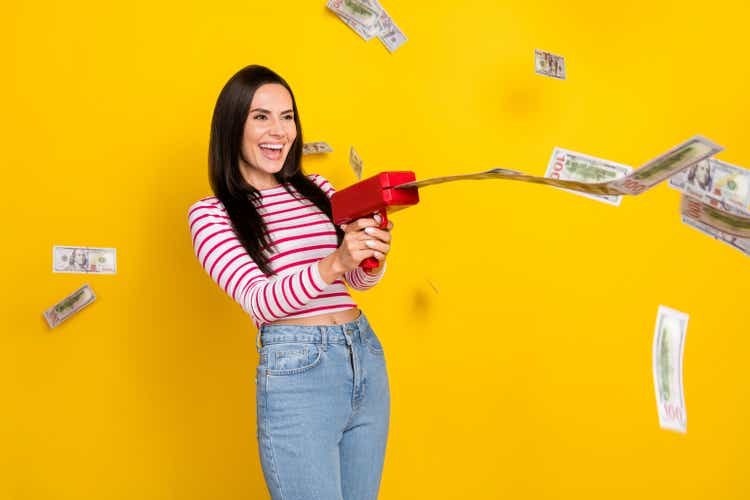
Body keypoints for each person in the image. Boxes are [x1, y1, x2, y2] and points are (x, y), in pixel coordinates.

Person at [188, 65, 393, 500]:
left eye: (287, 116)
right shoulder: (211, 215)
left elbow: (354, 280)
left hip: (364, 355)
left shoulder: (318, 188)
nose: (278, 131)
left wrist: (369, 254)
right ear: (232, 126)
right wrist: (336, 261)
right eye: (260, 116)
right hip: (300, 372)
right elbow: (260, 302)